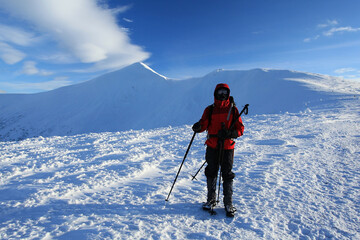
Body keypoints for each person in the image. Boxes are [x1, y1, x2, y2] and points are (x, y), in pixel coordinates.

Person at [192, 83, 244, 217]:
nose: (222, 95)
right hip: (212, 145)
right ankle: (211, 200)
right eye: (220, 92)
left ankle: (228, 203)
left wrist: (230, 133)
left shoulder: (233, 110)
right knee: (211, 172)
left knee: (227, 174)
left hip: (227, 146)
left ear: (228, 94)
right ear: (215, 94)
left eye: (224, 93)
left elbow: (240, 129)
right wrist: (198, 127)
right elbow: (204, 124)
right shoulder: (209, 110)